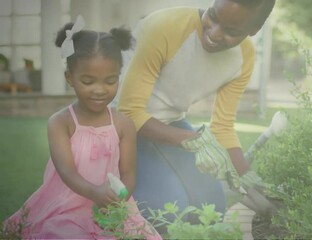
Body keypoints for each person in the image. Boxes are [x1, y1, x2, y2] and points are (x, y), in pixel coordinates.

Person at [116, 0, 276, 225]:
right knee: (168, 212)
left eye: (231, 31)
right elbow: (129, 112)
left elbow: (222, 128)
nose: (214, 33)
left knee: (210, 209)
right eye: (213, 16)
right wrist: (195, 141)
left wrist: (248, 179)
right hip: (117, 124)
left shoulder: (244, 58)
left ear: (254, 31)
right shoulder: (166, 27)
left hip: (169, 123)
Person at [2, 16, 161, 240]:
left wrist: (120, 199)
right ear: (70, 78)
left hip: (112, 205)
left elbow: (128, 173)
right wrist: (94, 192)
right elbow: (66, 171)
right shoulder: (61, 122)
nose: (99, 90)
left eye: (110, 80)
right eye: (88, 81)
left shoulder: (123, 123)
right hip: (68, 204)